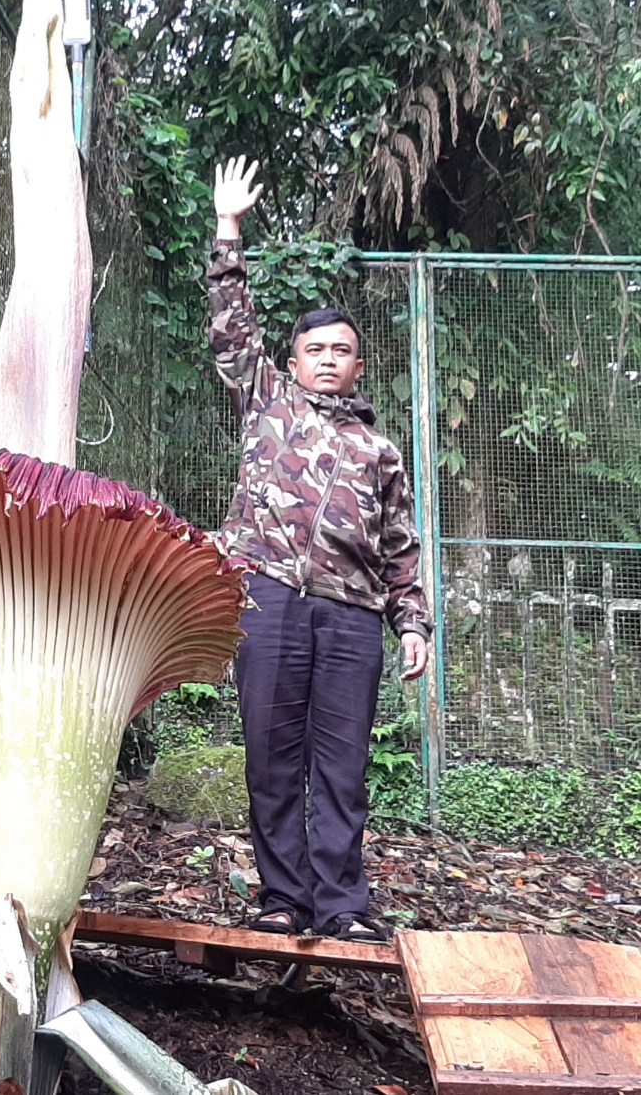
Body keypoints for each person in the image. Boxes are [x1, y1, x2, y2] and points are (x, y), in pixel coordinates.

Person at [206, 156, 433, 944]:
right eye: (316, 349)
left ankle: (342, 904)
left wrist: (413, 622)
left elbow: (401, 545)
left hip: (351, 620)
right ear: (295, 362)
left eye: (342, 349)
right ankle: (282, 899)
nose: (329, 358)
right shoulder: (265, 403)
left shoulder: (381, 451)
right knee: (271, 757)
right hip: (267, 600)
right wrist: (229, 229)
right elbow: (232, 326)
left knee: (340, 768)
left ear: (358, 364)